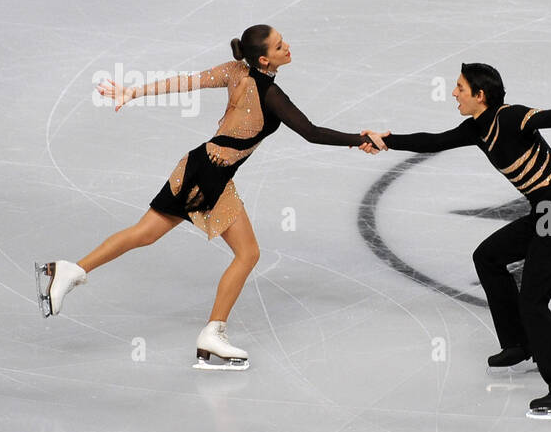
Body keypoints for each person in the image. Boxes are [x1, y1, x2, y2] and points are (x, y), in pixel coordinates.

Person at [37, 24, 381, 370]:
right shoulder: (270, 95)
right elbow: (311, 133)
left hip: (199, 164)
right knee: (246, 253)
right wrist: (359, 137)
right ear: (264, 58)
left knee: (147, 234)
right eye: (279, 46)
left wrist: (134, 92)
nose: (287, 46)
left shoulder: (235, 71)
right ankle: (212, 333)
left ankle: (73, 270)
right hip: (211, 175)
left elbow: (187, 81)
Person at [364, 63, 551, 418]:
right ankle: (519, 345)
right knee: (488, 257)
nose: (454, 93)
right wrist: (387, 141)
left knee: (533, 302)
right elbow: (434, 141)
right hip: (546, 214)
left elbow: (547, 118)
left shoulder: (509, 117)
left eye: (459, 87)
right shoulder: (477, 128)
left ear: (479, 94)